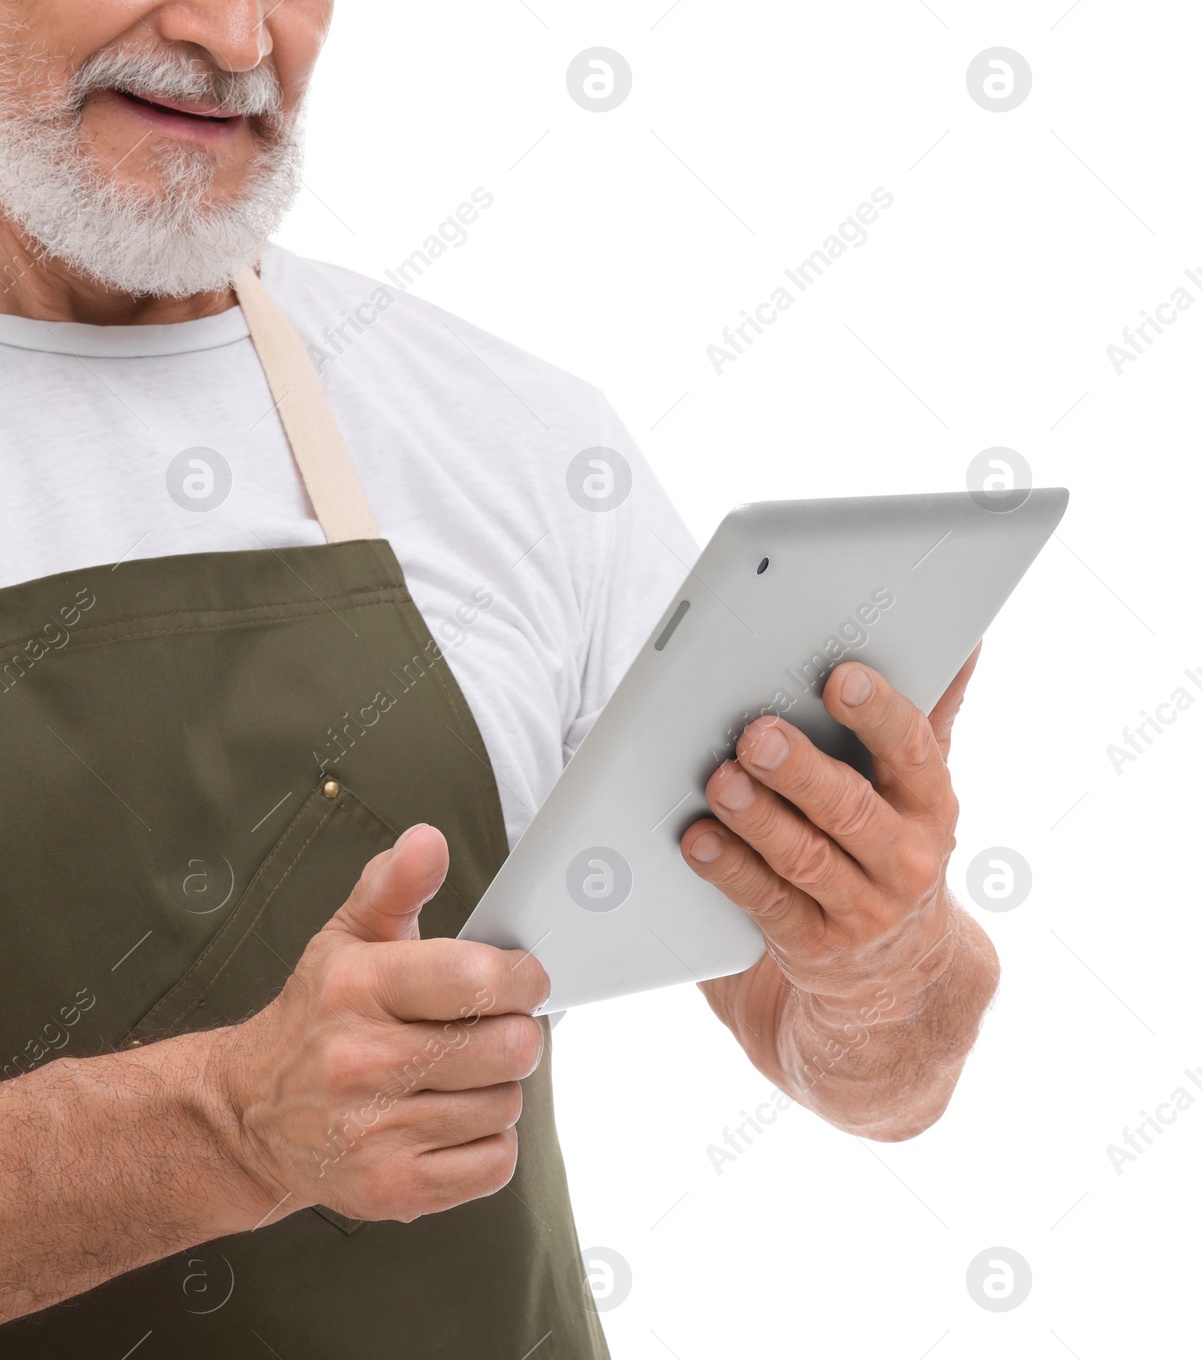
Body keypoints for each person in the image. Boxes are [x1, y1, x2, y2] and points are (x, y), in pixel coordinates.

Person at [0, 3, 1002, 1355]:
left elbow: (869, 1072)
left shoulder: (515, 441)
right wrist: (232, 1127)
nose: (233, 33)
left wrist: (881, 961)